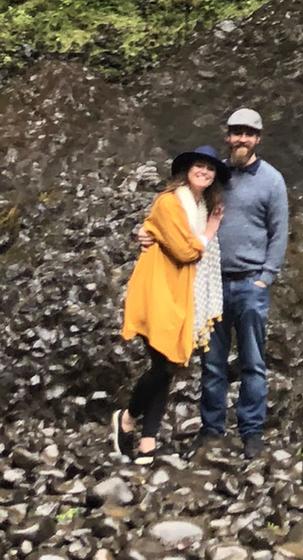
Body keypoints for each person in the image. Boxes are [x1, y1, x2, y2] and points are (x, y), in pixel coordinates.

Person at [114, 146, 226, 461]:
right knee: (163, 363)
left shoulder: (202, 206)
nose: (204, 172)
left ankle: (148, 441)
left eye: (210, 168)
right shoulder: (170, 202)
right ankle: (127, 417)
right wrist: (209, 232)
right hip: (160, 288)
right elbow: (186, 251)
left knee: (167, 366)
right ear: (186, 170)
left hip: (182, 291)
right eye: (199, 166)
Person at [198, 106, 288, 460]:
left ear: (258, 139)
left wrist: (266, 277)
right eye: (237, 132)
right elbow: (186, 211)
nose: (241, 139)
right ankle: (211, 430)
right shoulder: (215, 176)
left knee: (252, 362)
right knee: (212, 362)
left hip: (251, 284)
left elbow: (279, 232)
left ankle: (251, 432)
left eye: (248, 134)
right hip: (214, 283)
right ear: (228, 136)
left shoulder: (272, 180)